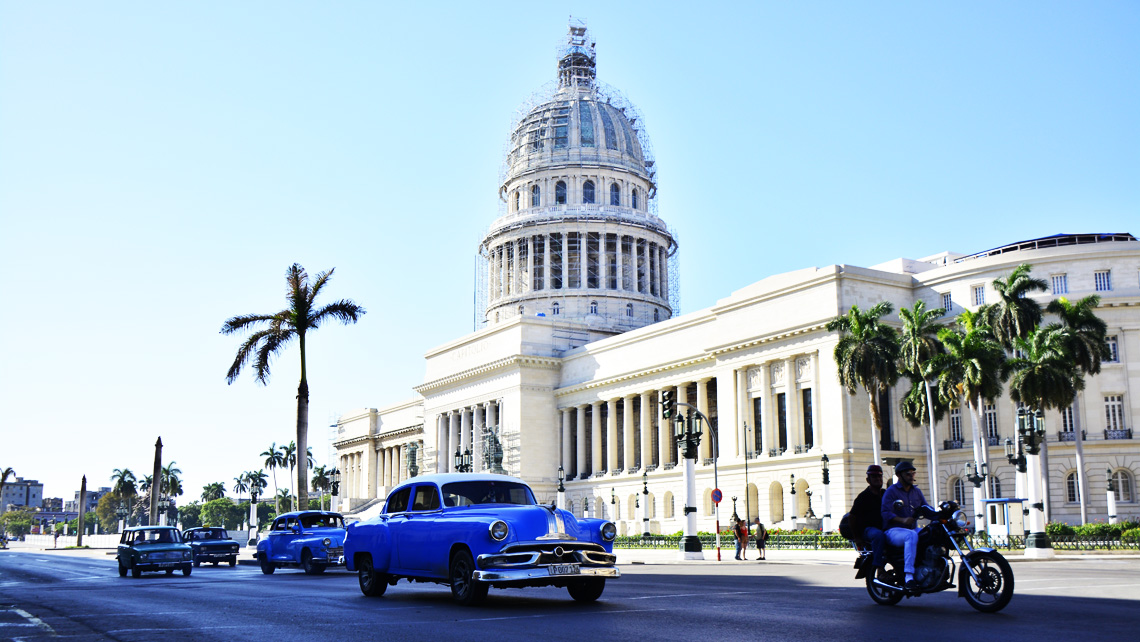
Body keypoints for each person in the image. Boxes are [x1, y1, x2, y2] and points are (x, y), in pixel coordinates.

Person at [881, 460, 927, 590]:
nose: (911, 476)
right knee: (911, 536)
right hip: (893, 531)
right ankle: (909, 577)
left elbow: (925, 508)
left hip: (911, 529)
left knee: (930, 533)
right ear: (899, 476)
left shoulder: (916, 491)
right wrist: (902, 520)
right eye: (908, 474)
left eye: (913, 473)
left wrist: (941, 514)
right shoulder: (891, 491)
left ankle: (925, 567)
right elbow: (885, 513)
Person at [849, 464, 886, 571]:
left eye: (880, 477)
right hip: (869, 530)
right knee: (878, 535)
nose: (878, 479)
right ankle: (880, 569)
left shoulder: (886, 494)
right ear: (868, 480)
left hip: (885, 527)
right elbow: (852, 517)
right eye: (874, 477)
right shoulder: (863, 497)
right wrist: (857, 538)